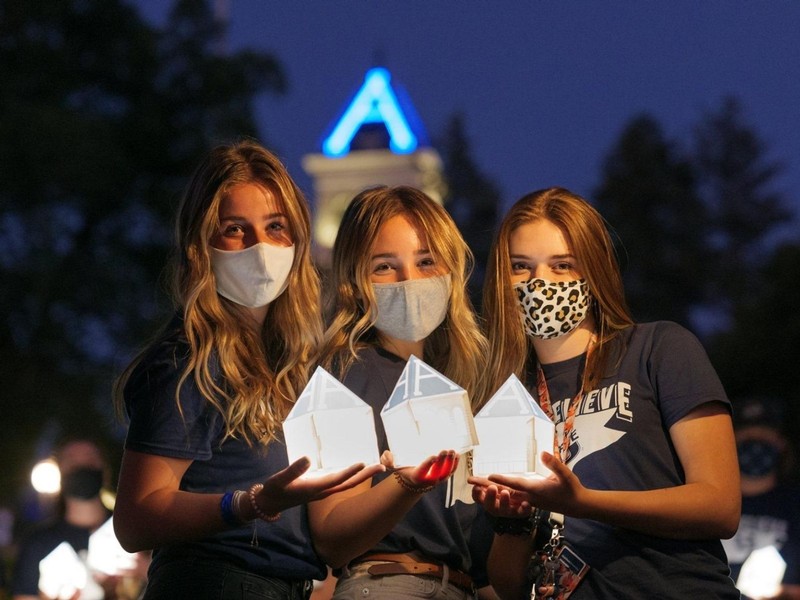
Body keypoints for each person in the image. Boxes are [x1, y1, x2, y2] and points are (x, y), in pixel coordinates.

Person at [112, 140, 380, 600]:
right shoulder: (188, 360)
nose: (261, 246)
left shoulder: (291, 364)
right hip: (211, 583)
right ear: (202, 244)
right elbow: (135, 519)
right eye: (236, 229)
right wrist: (251, 503)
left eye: (275, 227)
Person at [468, 187, 741, 599]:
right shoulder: (505, 402)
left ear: (593, 272)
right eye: (521, 267)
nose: (540, 282)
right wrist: (511, 521)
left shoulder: (658, 348)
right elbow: (507, 585)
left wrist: (584, 502)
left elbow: (719, 506)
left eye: (562, 265)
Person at [309, 185, 497, 599]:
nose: (409, 280)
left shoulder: (456, 388)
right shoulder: (346, 371)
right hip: (389, 585)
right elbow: (331, 534)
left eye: (426, 261)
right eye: (384, 266)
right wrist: (406, 484)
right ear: (355, 282)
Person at [11, 438, 131, 600]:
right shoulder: (36, 544)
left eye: (90, 458)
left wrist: (146, 574)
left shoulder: (133, 530)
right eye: (71, 460)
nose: (81, 465)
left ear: (105, 470)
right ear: (59, 471)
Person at [723, 396, 800, 599]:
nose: (756, 442)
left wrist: (783, 594)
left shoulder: (794, 504)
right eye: (747, 436)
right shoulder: (705, 501)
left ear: (781, 443)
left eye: (765, 436)